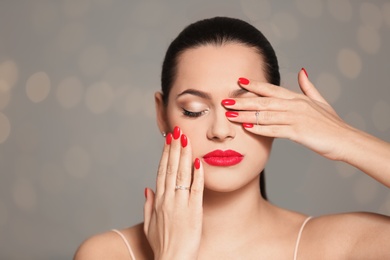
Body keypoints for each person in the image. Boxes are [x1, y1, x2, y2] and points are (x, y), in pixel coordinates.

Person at [74, 17, 390, 259]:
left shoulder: (339, 246)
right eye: (194, 110)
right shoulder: (108, 253)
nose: (221, 131)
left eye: (243, 108)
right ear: (162, 114)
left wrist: (344, 138)